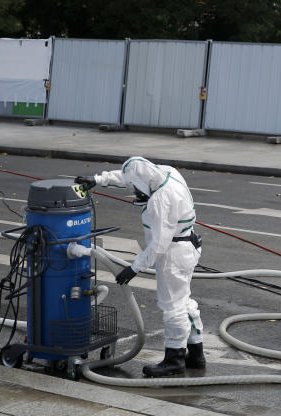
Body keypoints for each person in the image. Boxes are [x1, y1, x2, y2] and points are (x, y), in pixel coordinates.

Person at [77, 156, 204, 377]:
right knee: (183, 300)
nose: (134, 191)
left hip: (173, 253)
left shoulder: (160, 201)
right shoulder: (165, 172)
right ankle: (196, 350)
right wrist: (98, 179)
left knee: (172, 306)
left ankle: (174, 359)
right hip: (187, 244)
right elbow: (129, 176)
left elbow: (158, 246)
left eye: (136, 188)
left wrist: (135, 268)